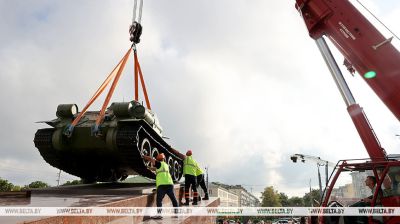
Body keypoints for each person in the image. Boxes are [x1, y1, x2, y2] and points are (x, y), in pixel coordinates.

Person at [143, 153, 179, 219]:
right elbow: (155, 169)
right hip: (169, 184)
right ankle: (176, 213)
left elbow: (151, 159)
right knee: (173, 199)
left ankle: (159, 214)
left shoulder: (159, 163)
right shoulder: (165, 165)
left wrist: (143, 156)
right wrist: (148, 167)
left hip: (162, 185)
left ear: (158, 159)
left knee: (159, 200)